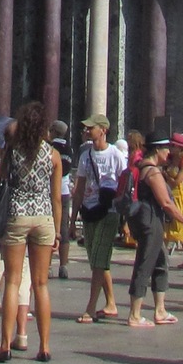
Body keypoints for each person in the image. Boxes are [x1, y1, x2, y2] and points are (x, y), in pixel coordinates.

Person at [0, 101, 60, 363]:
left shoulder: (12, 152)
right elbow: (57, 198)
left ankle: (5, 345)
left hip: (17, 215)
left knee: (13, 281)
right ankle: (44, 347)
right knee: (41, 284)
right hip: (43, 218)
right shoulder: (53, 155)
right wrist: (58, 232)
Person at [128, 134, 183, 327]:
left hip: (145, 219)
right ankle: (134, 314)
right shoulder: (152, 172)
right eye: (166, 149)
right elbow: (166, 202)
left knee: (160, 261)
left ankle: (160, 310)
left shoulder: (142, 167)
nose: (169, 153)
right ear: (157, 150)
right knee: (145, 264)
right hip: (150, 220)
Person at [71, 114, 124, 322]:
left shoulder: (116, 154)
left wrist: (125, 218)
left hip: (109, 211)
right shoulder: (86, 155)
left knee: (99, 259)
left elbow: (124, 184)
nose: (86, 131)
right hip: (89, 210)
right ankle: (111, 303)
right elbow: (79, 187)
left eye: (91, 128)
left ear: (103, 130)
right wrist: (72, 220)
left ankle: (91, 307)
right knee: (97, 261)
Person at [48, 119, 74, 279]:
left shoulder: (51, 147)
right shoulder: (69, 149)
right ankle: (63, 265)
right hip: (64, 190)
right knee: (63, 228)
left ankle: (48, 265)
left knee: (49, 228)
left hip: (51, 190)